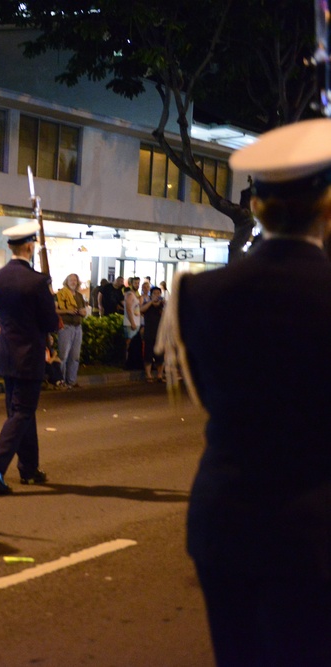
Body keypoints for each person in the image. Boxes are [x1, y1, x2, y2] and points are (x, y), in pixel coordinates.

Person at [155, 119, 331, 666]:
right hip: (314, 531)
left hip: (223, 524)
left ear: (255, 206)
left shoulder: (196, 292)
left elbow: (210, 396)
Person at [0, 222, 60, 496]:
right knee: (23, 412)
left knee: (21, 412)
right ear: (29, 246)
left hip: (8, 352)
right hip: (30, 354)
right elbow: (50, 322)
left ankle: (29, 468)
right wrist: (50, 297)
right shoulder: (38, 281)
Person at [55, 273, 86, 388]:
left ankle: (71, 380)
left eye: (75, 280)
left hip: (78, 327)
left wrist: (83, 313)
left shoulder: (79, 296)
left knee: (75, 356)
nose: (73, 282)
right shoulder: (61, 294)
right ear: (66, 281)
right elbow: (55, 310)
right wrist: (67, 311)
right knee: (63, 355)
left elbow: (83, 310)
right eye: (71, 280)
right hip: (66, 327)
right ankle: (61, 381)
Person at [140, 286, 165, 382]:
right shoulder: (147, 304)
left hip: (160, 334)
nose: (157, 295)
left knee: (160, 356)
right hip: (149, 333)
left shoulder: (162, 306)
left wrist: (163, 305)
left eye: (158, 293)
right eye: (155, 293)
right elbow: (141, 310)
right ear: (151, 295)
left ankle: (159, 375)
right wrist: (151, 302)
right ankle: (148, 375)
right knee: (148, 355)